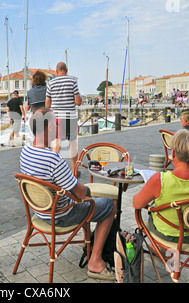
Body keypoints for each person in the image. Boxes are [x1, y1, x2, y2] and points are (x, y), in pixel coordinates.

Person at [20, 107, 116, 280]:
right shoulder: (53, 159)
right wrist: (88, 191)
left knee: (88, 200)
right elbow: (79, 193)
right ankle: (95, 261)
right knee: (109, 205)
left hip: (39, 212)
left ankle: (87, 243)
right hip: (60, 215)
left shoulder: (25, 151)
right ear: (49, 127)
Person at [133, 129, 189, 244]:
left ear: (173, 154)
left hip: (169, 235)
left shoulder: (161, 180)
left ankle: (160, 250)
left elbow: (137, 204)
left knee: (150, 211)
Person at [45, 62, 82, 168]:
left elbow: (47, 104)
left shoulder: (51, 83)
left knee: (57, 144)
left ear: (56, 71)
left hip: (56, 117)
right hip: (70, 116)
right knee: (73, 143)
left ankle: (53, 169)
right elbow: (78, 102)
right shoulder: (72, 81)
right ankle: (74, 170)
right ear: (66, 70)